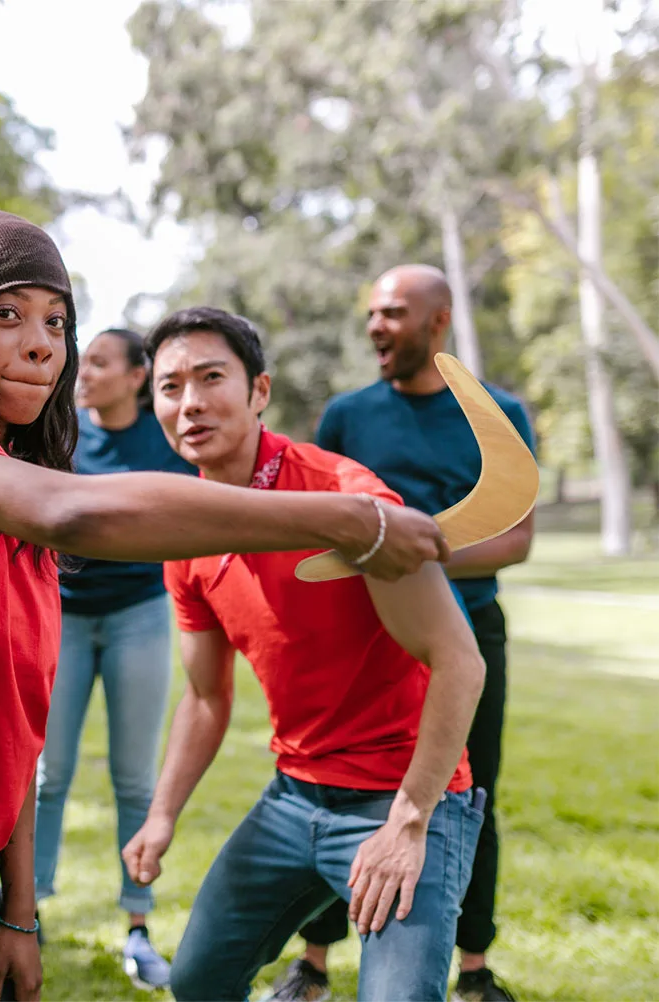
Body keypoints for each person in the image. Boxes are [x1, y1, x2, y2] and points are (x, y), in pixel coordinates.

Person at [0, 202, 450, 1002]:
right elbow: (73, 513)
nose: (43, 342)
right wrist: (343, 519)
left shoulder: (14, 494)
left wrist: (19, 910)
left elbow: (12, 724)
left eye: (57, 320)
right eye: (6, 315)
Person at [122, 306, 487, 1002]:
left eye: (211, 377)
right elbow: (205, 695)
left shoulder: (350, 500)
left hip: (407, 797)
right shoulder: (187, 536)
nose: (190, 402)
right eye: (170, 387)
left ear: (259, 390)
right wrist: (162, 814)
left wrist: (408, 822)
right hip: (295, 796)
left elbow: (459, 661)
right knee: (197, 983)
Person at [286, 264, 535, 1002]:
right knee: (343, 789)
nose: (376, 326)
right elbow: (325, 521)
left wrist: (414, 551)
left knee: (472, 795)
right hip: (368, 636)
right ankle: (314, 962)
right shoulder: (347, 415)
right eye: (372, 312)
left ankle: (474, 968)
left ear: (439, 320)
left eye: (393, 312)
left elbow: (516, 539)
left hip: (470, 632)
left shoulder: (500, 413)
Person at [35, 327, 195, 990]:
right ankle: (26, 913)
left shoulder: (167, 440)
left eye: (100, 362)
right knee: (48, 774)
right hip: (63, 616)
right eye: (85, 362)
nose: (84, 373)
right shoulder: (58, 432)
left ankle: (138, 925)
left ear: (136, 377)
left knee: (134, 779)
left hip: (139, 616)